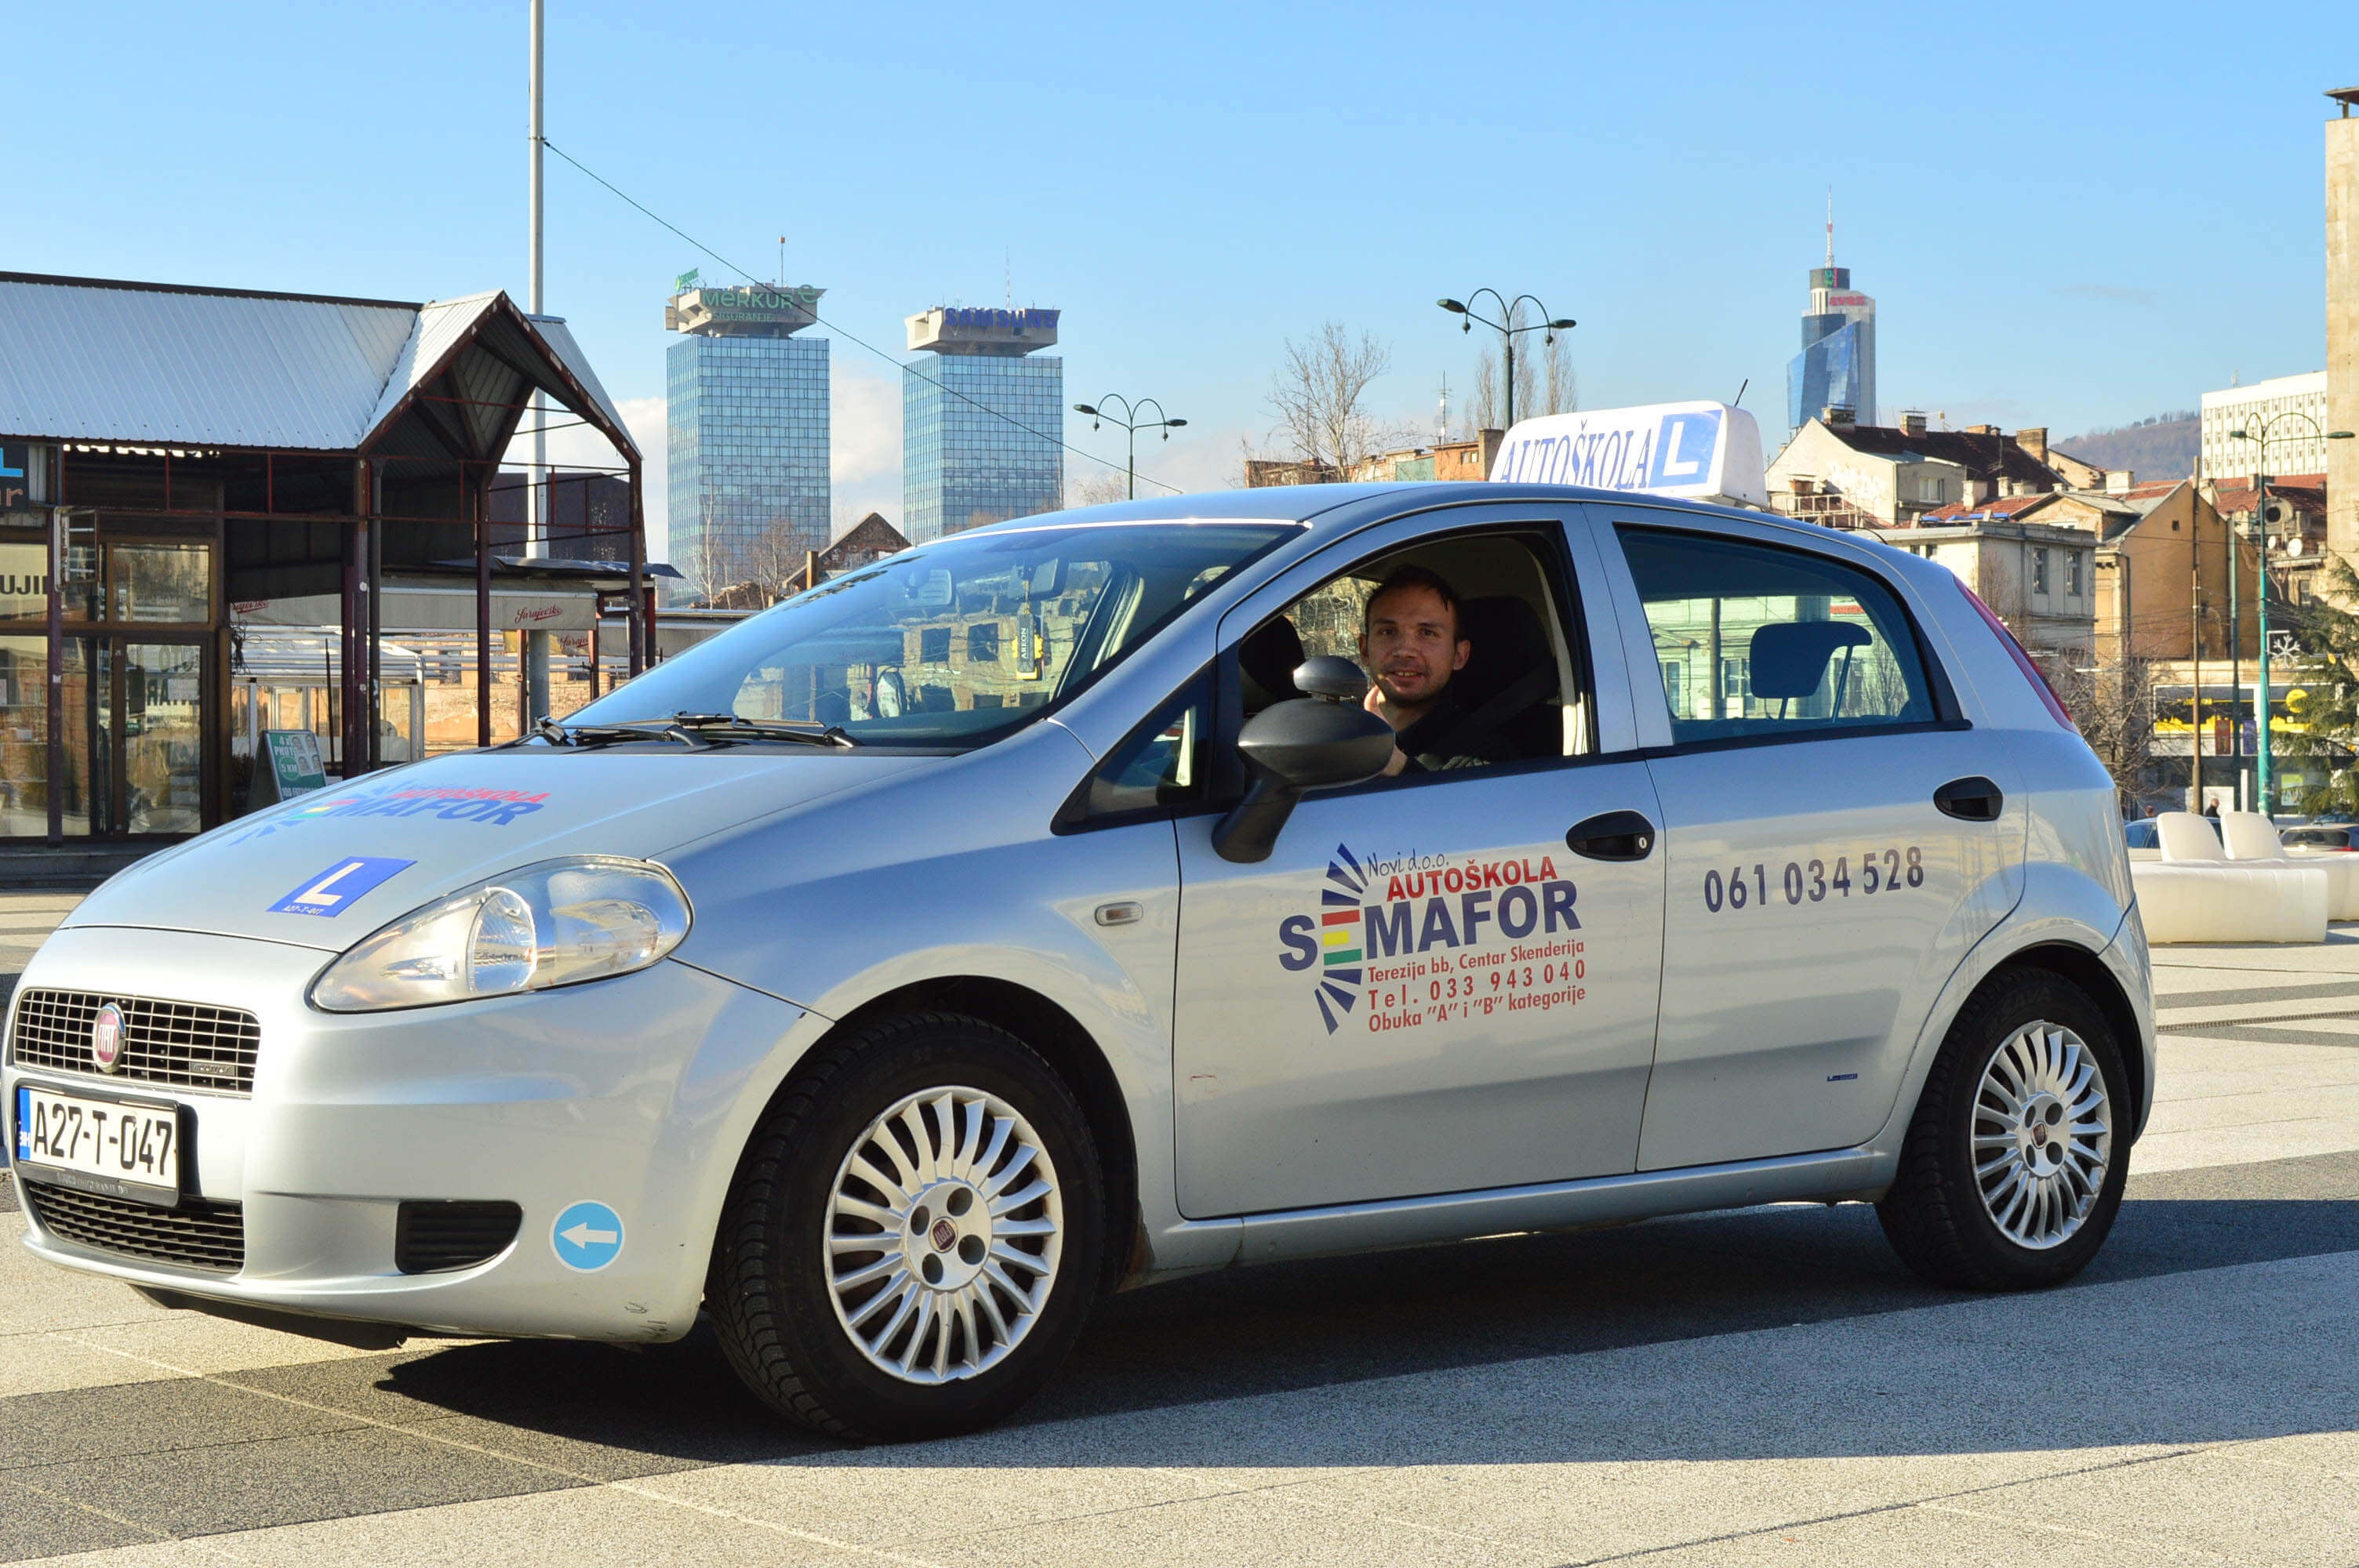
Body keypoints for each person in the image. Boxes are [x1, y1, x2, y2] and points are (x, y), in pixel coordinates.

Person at [1358, 564, 1518, 775]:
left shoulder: (1487, 758)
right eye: (1388, 632)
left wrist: (1400, 769)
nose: (1405, 651)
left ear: (1459, 655)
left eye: (1427, 633)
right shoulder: (1338, 726)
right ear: (1364, 650)